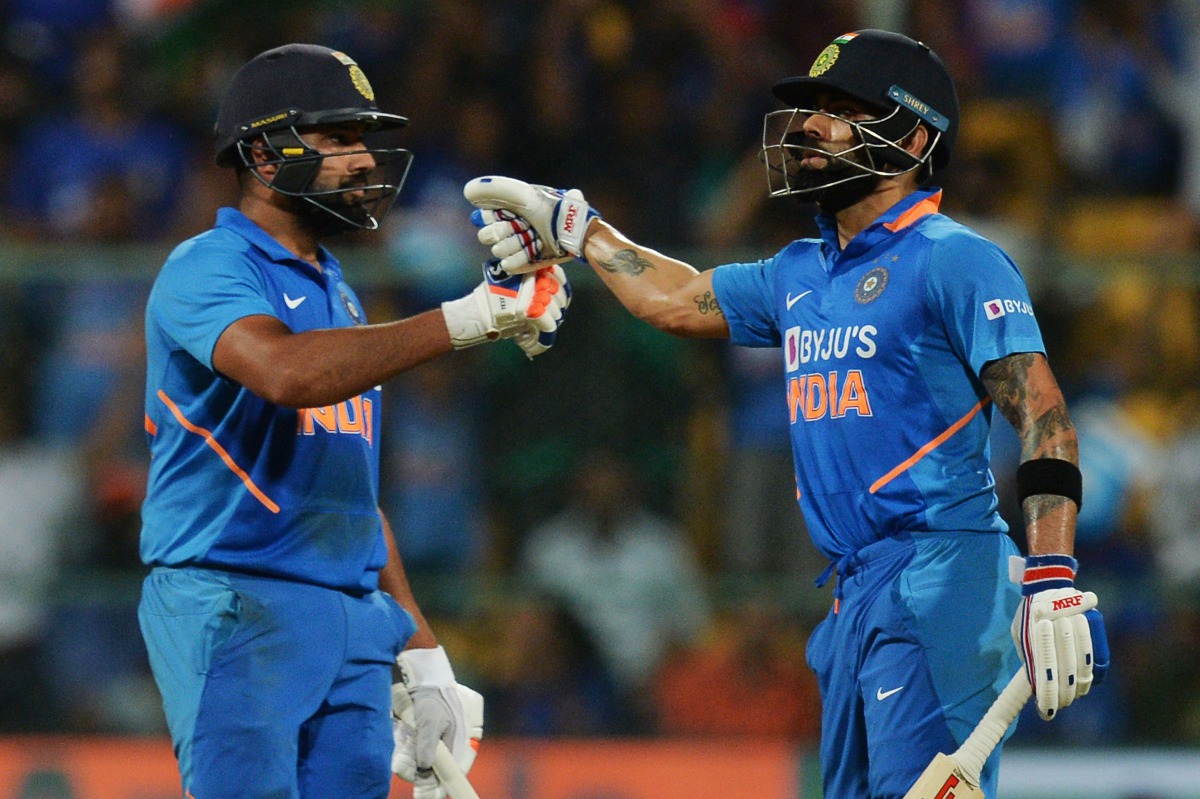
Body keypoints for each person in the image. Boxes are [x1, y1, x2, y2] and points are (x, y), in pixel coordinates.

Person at [466, 29, 1108, 799]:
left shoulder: (955, 257)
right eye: (811, 110)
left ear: (909, 135)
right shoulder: (800, 269)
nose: (809, 127)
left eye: (839, 110)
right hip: (852, 590)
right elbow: (674, 298)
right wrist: (578, 229)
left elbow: (1044, 419)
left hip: (939, 577)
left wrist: (1053, 576)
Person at [137, 43, 569, 799]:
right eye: (338, 138)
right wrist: (471, 317)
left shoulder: (338, 290)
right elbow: (286, 373)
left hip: (350, 615)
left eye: (363, 139)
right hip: (235, 599)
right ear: (265, 154)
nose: (364, 159)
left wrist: (419, 641)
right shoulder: (205, 266)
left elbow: (349, 486)